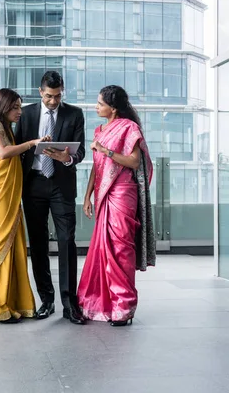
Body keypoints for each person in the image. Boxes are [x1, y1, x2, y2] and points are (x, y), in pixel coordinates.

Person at [78, 85, 156, 326]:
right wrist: (87, 195)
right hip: (103, 193)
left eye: (100, 103)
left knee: (121, 249)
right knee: (103, 250)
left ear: (113, 108)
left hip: (123, 193)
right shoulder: (99, 130)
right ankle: (102, 303)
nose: (96, 107)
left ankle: (124, 307)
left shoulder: (130, 128)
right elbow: (96, 165)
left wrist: (105, 150)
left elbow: (133, 162)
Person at [14, 71, 87, 325]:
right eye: (48, 96)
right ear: (40, 91)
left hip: (61, 185)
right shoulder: (28, 113)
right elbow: (18, 148)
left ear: (62, 91)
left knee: (67, 241)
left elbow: (81, 152)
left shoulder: (74, 114)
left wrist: (66, 158)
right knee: (39, 243)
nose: (53, 101)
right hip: (33, 183)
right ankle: (47, 300)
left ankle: (70, 304)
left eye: (57, 96)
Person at [0, 88, 51, 323]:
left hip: (8, 197)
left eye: (19, 106)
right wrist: (32, 143)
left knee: (11, 245)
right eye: (15, 107)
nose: (19, 111)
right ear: (4, 107)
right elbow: (3, 153)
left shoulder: (6, 127)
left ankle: (11, 302)